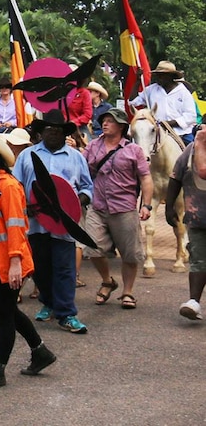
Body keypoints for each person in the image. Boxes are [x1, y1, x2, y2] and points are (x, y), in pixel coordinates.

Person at [0, 128, 56, 390]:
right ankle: (40, 352)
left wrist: (15, 262)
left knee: (2, 315)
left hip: (3, 260)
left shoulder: (9, 186)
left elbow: (17, 227)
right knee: (7, 311)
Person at [12, 110, 93, 334]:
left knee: (65, 268)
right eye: (49, 129)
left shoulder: (76, 157)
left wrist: (76, 202)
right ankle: (48, 303)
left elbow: (87, 187)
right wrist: (24, 207)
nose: (54, 134)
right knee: (40, 268)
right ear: (41, 132)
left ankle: (67, 314)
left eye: (58, 130)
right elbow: (16, 187)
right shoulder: (26, 157)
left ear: (63, 133)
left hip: (65, 224)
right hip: (36, 222)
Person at [82, 108, 153, 310]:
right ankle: (107, 281)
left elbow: (146, 178)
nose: (105, 124)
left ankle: (127, 292)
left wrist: (146, 205)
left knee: (130, 253)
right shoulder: (93, 146)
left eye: (110, 121)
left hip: (124, 207)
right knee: (93, 249)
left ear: (121, 126)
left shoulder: (134, 150)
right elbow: (80, 165)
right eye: (103, 120)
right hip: (98, 206)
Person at [165, 128, 206, 320]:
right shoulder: (190, 150)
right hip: (198, 218)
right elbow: (175, 177)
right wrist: (169, 206)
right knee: (198, 259)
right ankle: (194, 302)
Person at [130, 60, 198, 144]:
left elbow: (190, 116)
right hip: (156, 133)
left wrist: (167, 124)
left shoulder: (183, 92)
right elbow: (133, 102)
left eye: (162, 75)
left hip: (181, 133)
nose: (158, 77)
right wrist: (137, 81)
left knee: (193, 150)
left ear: (170, 76)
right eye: (157, 75)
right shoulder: (151, 90)